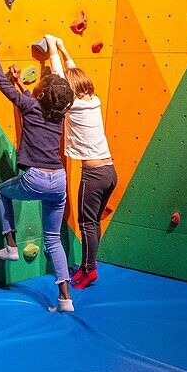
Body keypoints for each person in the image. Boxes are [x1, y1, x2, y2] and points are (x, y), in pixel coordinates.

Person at [0, 34, 75, 312]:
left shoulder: (32, 107)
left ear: (42, 96)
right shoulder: (57, 115)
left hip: (35, 178)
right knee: (53, 239)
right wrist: (20, 83)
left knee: (2, 191)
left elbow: (0, 84)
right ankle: (65, 299)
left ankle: (11, 245)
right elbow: (29, 102)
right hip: (58, 181)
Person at [53, 37, 115, 289]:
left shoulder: (73, 106)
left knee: (87, 223)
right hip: (110, 171)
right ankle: (88, 266)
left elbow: (58, 80)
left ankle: (89, 270)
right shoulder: (93, 101)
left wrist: (52, 51)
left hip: (94, 175)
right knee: (94, 223)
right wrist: (63, 48)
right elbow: (72, 74)